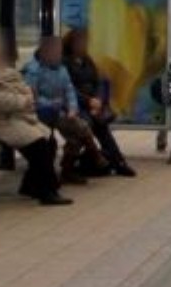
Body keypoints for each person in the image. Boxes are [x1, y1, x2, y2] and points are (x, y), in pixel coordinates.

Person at [0, 35, 72, 206]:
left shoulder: (4, 70)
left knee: (49, 139)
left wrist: (25, 98)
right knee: (38, 145)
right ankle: (47, 191)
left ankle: (30, 185)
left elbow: (26, 89)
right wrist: (22, 101)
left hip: (14, 118)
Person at [23, 36, 108, 184]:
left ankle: (67, 171)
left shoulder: (61, 69)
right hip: (39, 112)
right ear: (44, 52)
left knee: (76, 134)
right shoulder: (33, 71)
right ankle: (95, 154)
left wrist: (72, 108)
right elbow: (32, 96)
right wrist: (52, 103)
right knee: (78, 128)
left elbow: (69, 90)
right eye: (55, 52)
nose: (58, 56)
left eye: (59, 52)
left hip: (59, 111)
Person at [62, 28, 136, 177]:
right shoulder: (64, 63)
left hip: (93, 103)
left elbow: (99, 82)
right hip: (75, 105)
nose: (85, 46)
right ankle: (71, 165)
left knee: (103, 128)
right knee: (87, 124)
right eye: (81, 42)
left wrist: (98, 99)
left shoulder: (88, 61)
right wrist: (88, 101)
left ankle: (119, 162)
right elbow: (67, 88)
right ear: (72, 44)